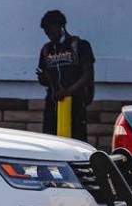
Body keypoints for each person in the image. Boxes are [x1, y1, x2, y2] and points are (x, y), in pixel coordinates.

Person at [35, 10, 95, 142]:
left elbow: (88, 74)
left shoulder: (80, 46)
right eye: (47, 34)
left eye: (52, 32)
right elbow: (46, 79)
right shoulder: (47, 49)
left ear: (61, 27)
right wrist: (43, 79)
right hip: (54, 102)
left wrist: (68, 92)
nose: (50, 37)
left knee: (76, 139)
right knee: (51, 139)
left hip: (76, 102)